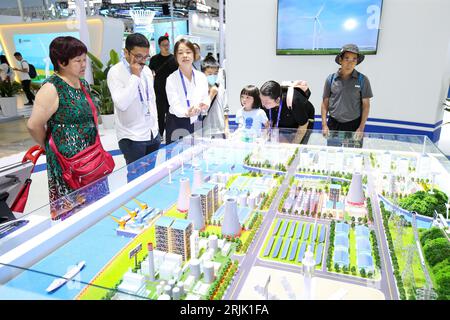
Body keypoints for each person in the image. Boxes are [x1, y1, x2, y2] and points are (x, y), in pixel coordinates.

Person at [26, 36, 108, 207]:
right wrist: (49, 146)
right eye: (78, 61)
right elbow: (34, 125)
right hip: (68, 165)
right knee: (76, 211)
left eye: (84, 59)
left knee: (98, 206)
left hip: (92, 157)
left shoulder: (82, 83)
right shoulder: (51, 88)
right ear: (62, 62)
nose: (84, 64)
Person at [107, 33, 160, 167]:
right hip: (132, 137)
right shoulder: (115, 72)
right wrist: (135, 77)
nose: (142, 61)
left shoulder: (147, 71)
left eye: (145, 56)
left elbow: (150, 100)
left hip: (152, 133)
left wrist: (156, 127)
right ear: (126, 52)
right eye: (138, 56)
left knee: (151, 178)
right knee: (136, 181)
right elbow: (122, 104)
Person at [321, 44, 373, 140]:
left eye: (354, 59)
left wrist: (361, 127)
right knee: (332, 153)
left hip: (354, 125)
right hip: (333, 124)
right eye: (347, 59)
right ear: (340, 60)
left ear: (357, 61)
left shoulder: (363, 80)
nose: (350, 63)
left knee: (352, 154)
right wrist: (324, 125)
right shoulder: (331, 79)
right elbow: (325, 104)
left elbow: (366, 106)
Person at [165, 38, 210, 144]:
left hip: (197, 121)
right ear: (176, 57)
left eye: (188, 52)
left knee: (197, 155)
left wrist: (205, 103)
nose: (185, 55)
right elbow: (174, 104)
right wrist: (186, 112)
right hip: (177, 122)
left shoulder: (201, 77)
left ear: (194, 55)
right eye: (180, 53)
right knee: (176, 157)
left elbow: (205, 96)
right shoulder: (171, 79)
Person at [149, 36, 178, 138]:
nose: (166, 47)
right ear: (159, 46)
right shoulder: (154, 59)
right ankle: (160, 134)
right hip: (159, 91)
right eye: (164, 45)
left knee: (171, 113)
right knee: (160, 114)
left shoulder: (174, 59)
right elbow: (149, 72)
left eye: (167, 44)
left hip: (172, 91)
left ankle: (170, 133)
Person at [200, 56, 229, 138]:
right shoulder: (200, 90)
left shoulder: (221, 88)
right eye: (209, 74)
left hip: (221, 129)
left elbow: (225, 109)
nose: (213, 76)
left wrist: (227, 127)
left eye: (215, 73)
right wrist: (211, 94)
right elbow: (200, 112)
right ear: (203, 73)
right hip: (206, 130)